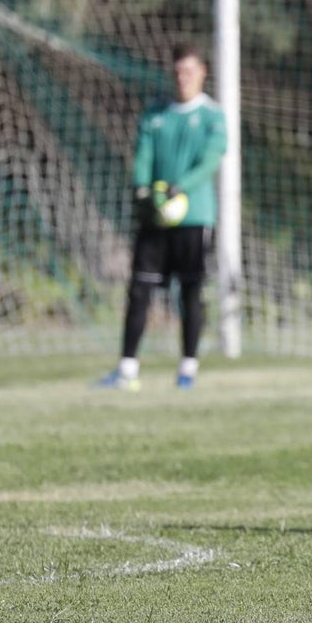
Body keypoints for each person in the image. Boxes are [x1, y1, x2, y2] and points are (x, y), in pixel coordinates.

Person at [96, 43, 227, 391]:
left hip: (194, 217)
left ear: (203, 74)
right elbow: (143, 155)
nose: (182, 78)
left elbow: (211, 160)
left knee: (190, 293)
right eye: (177, 71)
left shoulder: (213, 116)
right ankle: (127, 370)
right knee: (140, 290)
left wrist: (179, 187)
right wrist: (142, 190)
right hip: (155, 217)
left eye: (189, 71)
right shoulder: (155, 114)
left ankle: (187, 369)